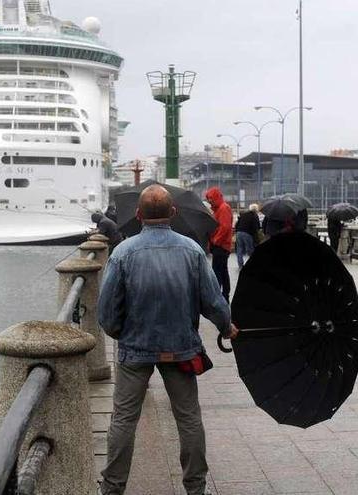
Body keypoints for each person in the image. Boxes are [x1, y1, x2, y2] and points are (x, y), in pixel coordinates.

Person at [97, 185, 238, 495]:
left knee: (123, 419)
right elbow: (213, 301)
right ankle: (195, 487)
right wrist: (226, 327)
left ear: (138, 215)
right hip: (181, 349)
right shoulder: (192, 250)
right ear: (173, 213)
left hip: (135, 350)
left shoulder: (122, 253)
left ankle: (112, 487)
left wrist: (122, 335)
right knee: (188, 418)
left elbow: (106, 312)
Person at [205, 187, 233, 301]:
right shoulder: (221, 208)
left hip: (221, 245)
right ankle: (224, 295)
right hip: (222, 245)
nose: (209, 201)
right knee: (222, 270)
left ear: (216, 197)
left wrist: (216, 240)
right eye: (208, 199)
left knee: (218, 271)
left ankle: (218, 297)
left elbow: (224, 227)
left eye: (210, 198)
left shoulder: (222, 208)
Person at [233, 204, 260, 269]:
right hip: (247, 234)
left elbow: (237, 224)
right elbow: (256, 227)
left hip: (239, 233)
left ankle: (240, 265)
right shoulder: (254, 215)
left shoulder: (244, 214)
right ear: (256, 210)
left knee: (239, 249)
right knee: (250, 250)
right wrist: (256, 239)